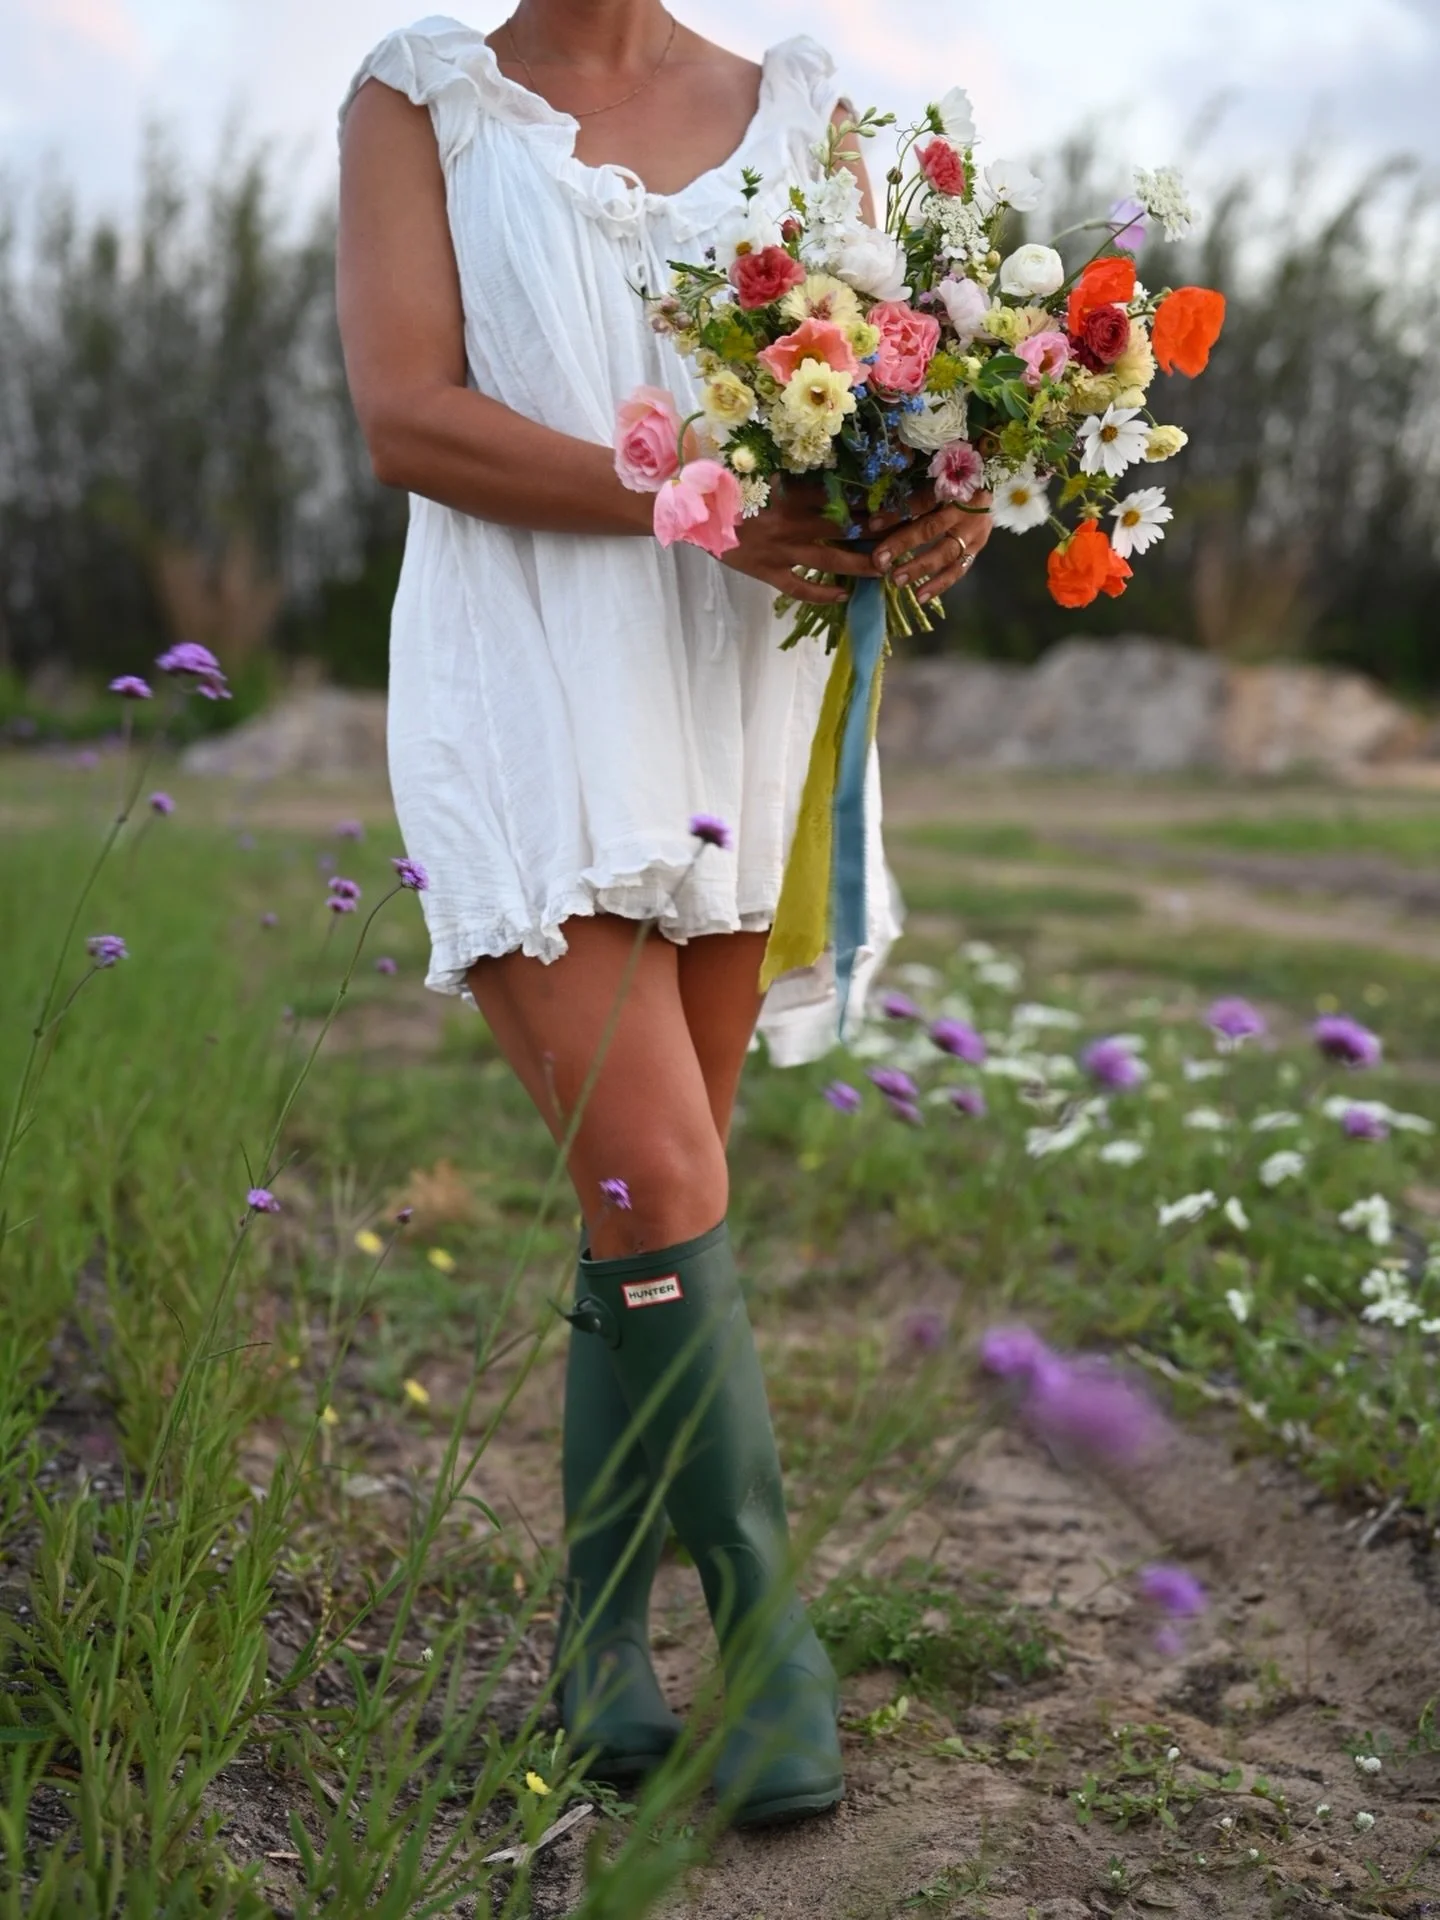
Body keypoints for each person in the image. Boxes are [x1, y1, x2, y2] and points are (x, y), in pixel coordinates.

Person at [336, 0, 992, 1827]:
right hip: (531, 679)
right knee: (663, 1183)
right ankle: (772, 1637)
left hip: (745, 691)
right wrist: (691, 503)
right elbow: (407, 413)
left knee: (643, 1195)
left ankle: (599, 1636)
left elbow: (908, 378)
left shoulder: (808, 101)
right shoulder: (423, 100)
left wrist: (950, 497)